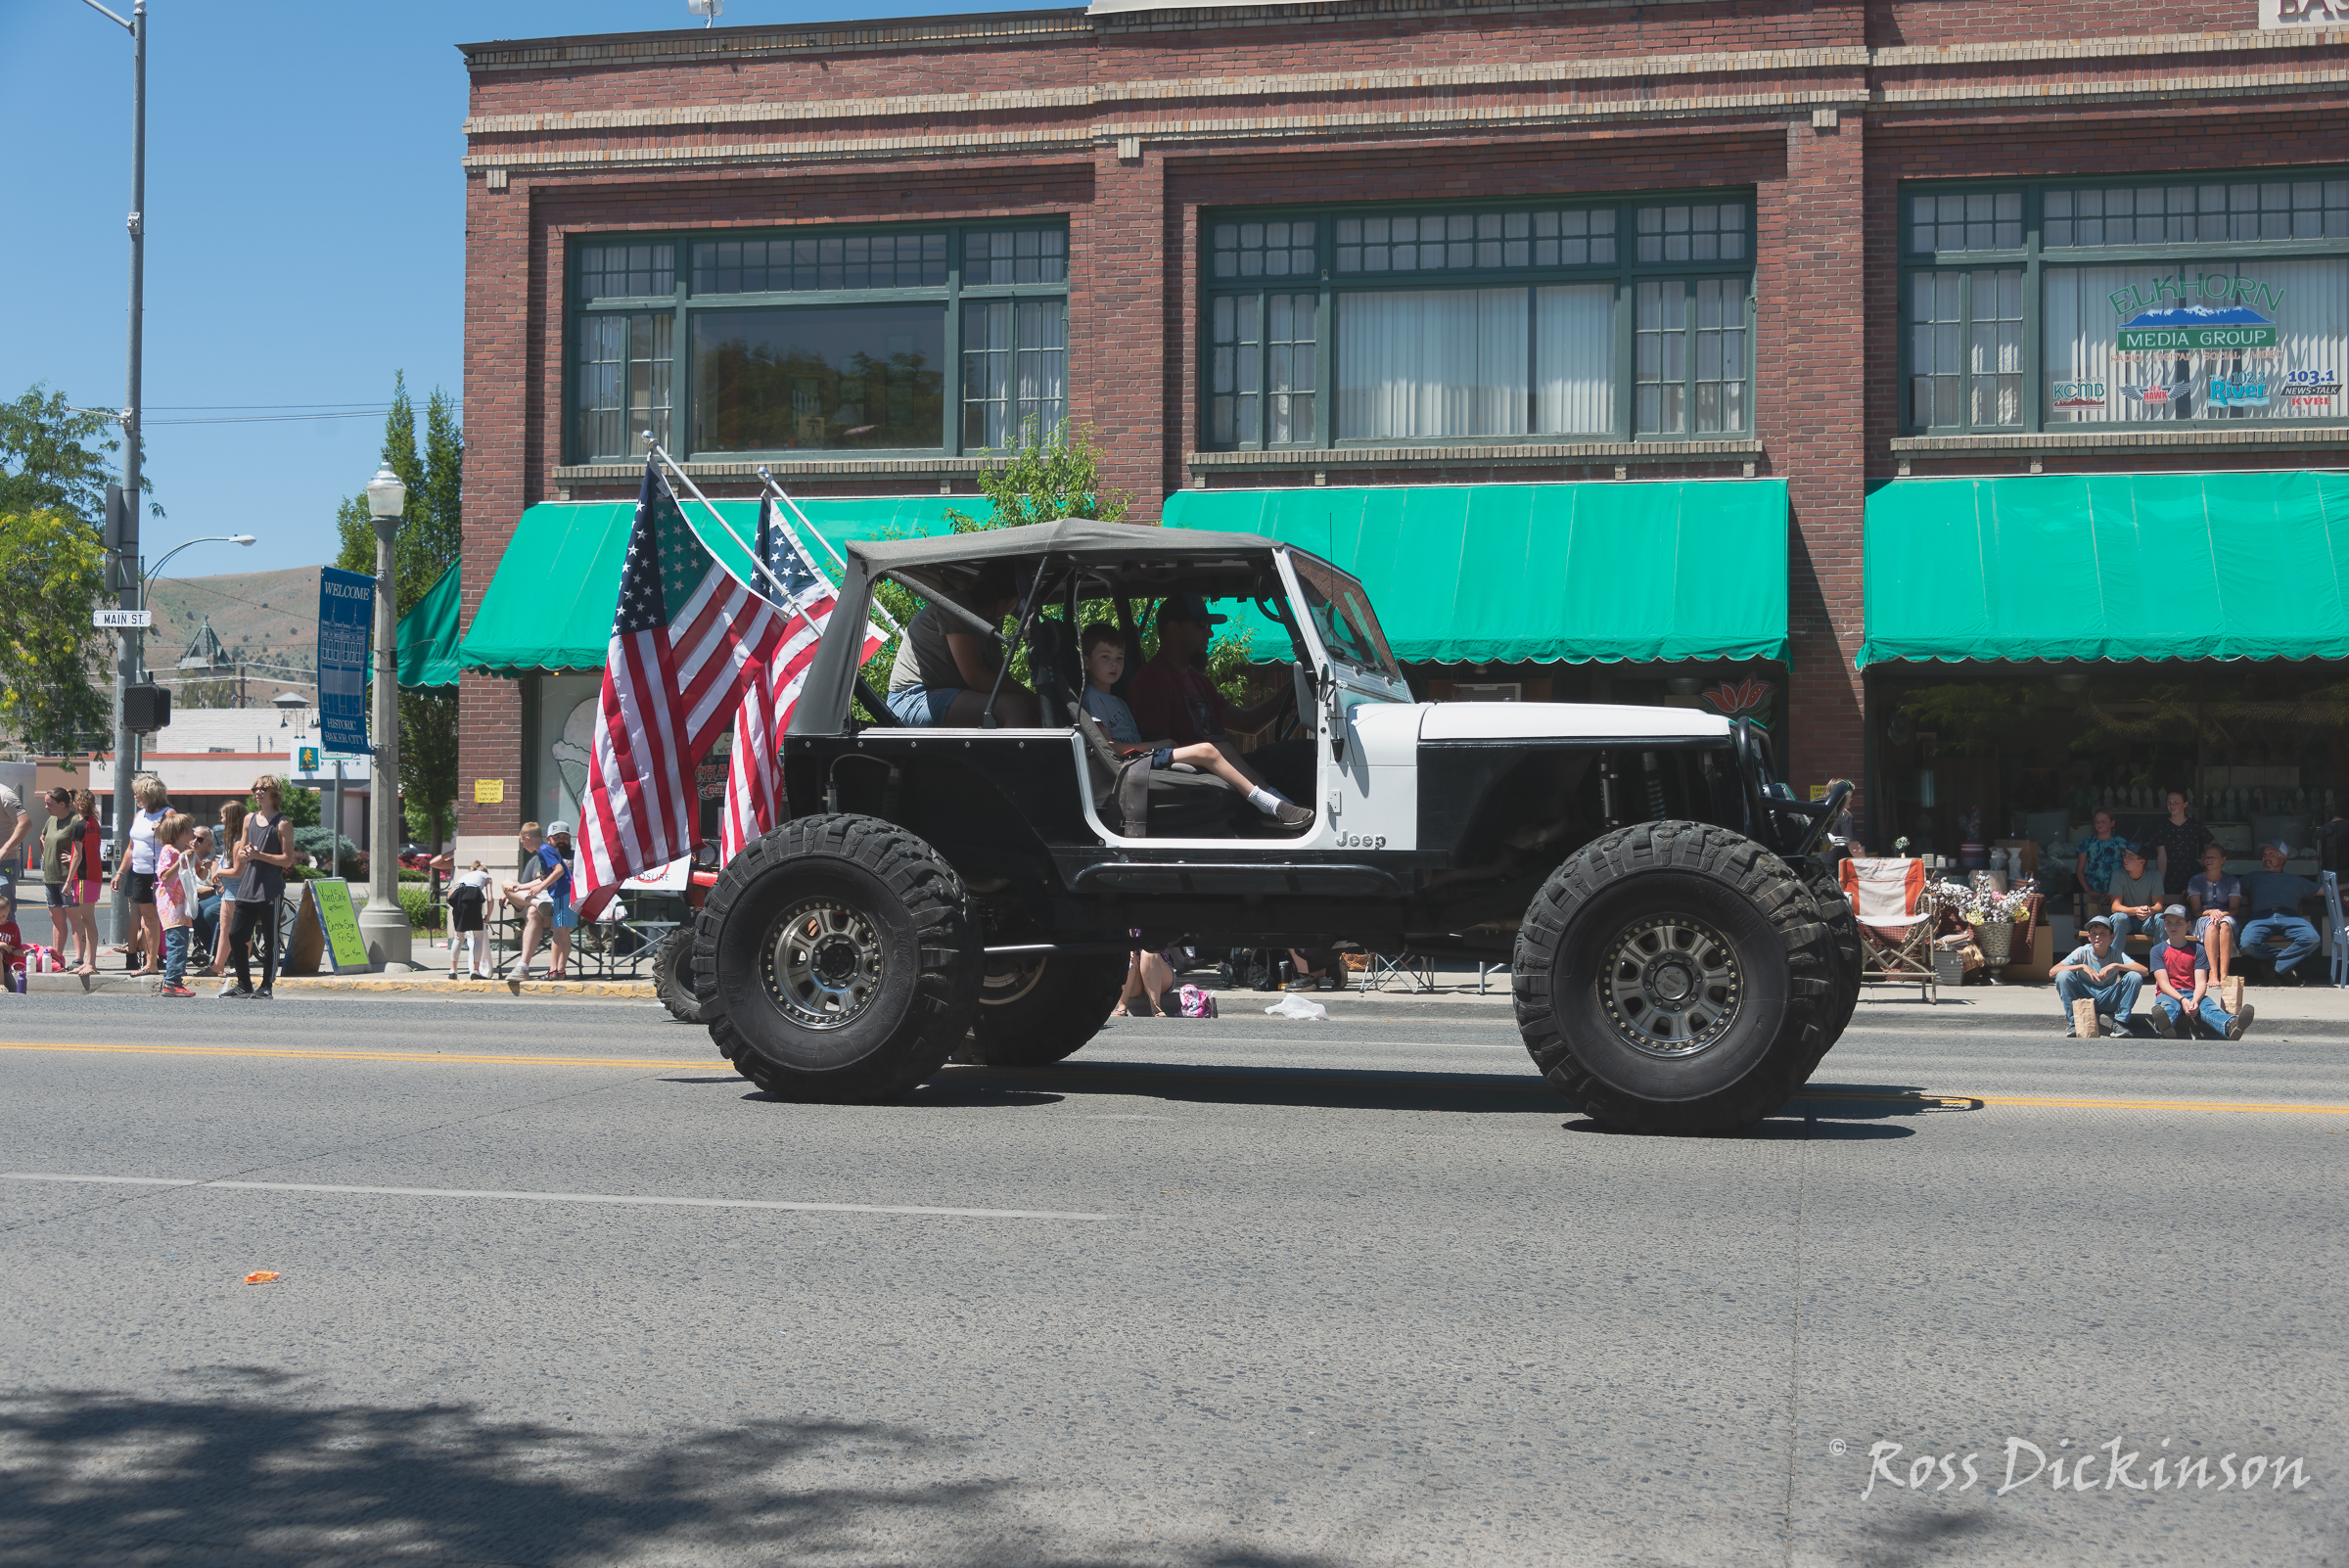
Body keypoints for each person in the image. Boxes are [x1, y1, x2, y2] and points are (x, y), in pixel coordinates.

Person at [1080, 623, 1311, 828]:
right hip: (1133, 762)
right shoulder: (1092, 699)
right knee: (1207, 750)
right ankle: (1271, 806)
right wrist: (1159, 744)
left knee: (1222, 746)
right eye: (1105, 657)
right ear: (1086, 662)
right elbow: (1108, 749)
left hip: (1145, 755)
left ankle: (1279, 799)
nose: (1114, 664)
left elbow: (1247, 722)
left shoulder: (1117, 700)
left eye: (1119, 658)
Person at [1128, 594, 1312, 804]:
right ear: (1173, 629)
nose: (1210, 633)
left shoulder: (1198, 681)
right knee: (1302, 762)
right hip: (1199, 777)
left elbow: (1248, 723)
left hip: (1226, 766)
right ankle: (1285, 810)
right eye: (1202, 625)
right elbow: (1157, 754)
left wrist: (1294, 686)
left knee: (1304, 753)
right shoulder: (1152, 681)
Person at [884, 563, 1039, 727]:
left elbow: (999, 677)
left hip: (948, 694)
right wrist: (1033, 698)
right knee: (1014, 707)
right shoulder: (958, 604)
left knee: (1026, 706)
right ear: (1013, 601)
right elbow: (976, 678)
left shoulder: (991, 619)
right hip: (910, 699)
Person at [222, 775, 297, 1000]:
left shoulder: (283, 823)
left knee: (271, 941)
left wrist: (258, 855)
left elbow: (287, 860)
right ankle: (244, 984)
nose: (257, 792)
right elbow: (244, 851)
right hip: (248, 886)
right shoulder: (248, 819)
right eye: (255, 788)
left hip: (270, 889)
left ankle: (267, 985)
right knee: (235, 935)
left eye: (263, 788)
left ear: (274, 793)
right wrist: (244, 854)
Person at [2145, 905, 2250, 1039]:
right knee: (2168, 1006)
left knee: (2210, 1008)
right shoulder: (2157, 950)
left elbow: (2201, 982)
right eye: (2168, 923)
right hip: (2168, 993)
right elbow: (2163, 984)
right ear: (2164, 926)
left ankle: (2231, 1025)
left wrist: (2195, 1000)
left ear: (2188, 926)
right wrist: (2182, 1000)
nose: (2173, 926)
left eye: (2178, 923)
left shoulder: (2198, 950)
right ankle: (2164, 1026)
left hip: (2193, 993)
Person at [2237, 839, 2322, 984]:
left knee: (2312, 939)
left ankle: (2274, 967)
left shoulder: (2295, 880)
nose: (2266, 858)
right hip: (2261, 917)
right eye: (2264, 855)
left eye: (2271, 854)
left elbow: (2326, 890)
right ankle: (2281, 964)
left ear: (2283, 858)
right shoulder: (2253, 877)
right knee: (2247, 944)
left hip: (2289, 917)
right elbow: (2227, 888)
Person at [112, 773, 170, 975]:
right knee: (147, 919)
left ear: (150, 794)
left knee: (160, 920)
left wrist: (161, 832)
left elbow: (178, 843)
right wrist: (120, 873)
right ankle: (150, 963)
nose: (135, 797)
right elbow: (131, 847)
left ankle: (157, 961)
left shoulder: (168, 814)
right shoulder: (139, 815)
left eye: (139, 793)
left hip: (160, 874)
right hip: (139, 873)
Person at [2050, 915, 2147, 1037]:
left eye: (2102, 934)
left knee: (2134, 976)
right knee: (2063, 975)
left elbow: (2144, 971)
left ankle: (2119, 1023)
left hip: (2108, 998)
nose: (2098, 937)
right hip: (2085, 996)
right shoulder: (2081, 951)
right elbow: (2053, 972)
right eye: (2094, 934)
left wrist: (2116, 965)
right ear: (2089, 937)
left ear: (2112, 937)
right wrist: (2081, 967)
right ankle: (2075, 1023)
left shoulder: (2116, 954)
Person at [152, 811, 199, 997]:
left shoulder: (180, 852)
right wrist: (181, 860)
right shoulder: (169, 851)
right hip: (171, 903)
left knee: (181, 941)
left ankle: (175, 980)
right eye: (188, 829)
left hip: (180, 903)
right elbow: (165, 876)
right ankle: (171, 982)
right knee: (177, 943)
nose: (192, 831)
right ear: (178, 833)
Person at [2186, 841, 2242, 987]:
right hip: (2202, 917)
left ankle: (2224, 974)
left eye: (2213, 857)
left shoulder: (2232, 881)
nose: (2209, 859)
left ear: (2223, 860)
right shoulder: (2195, 880)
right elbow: (2196, 911)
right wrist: (2211, 912)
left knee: (2224, 925)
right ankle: (2212, 973)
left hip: (2227, 916)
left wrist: (2222, 914)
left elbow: (2234, 909)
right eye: (2207, 856)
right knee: (2211, 926)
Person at [37, 788, 80, 970]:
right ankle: (57, 959)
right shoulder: (51, 820)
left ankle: (79, 959)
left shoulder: (76, 820)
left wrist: (72, 858)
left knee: (74, 919)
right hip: (51, 878)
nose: (46, 806)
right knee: (57, 920)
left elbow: (85, 848)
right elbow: (42, 838)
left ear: (62, 804)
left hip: (68, 879)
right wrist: (48, 857)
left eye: (50, 803)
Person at [2144, 789, 2215, 898]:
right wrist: (2160, 883)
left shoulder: (2195, 826)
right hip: (2171, 874)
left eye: (2176, 802)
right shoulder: (2161, 827)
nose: (2172, 805)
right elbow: (2162, 856)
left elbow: (2214, 845)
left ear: (2185, 804)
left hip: (2193, 872)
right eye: (2169, 802)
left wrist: (2206, 860)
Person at [68, 789, 103, 977]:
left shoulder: (81, 825)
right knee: (87, 920)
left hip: (83, 876)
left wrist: (67, 881)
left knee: (88, 920)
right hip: (94, 875)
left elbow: (77, 855)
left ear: (76, 803)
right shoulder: (95, 824)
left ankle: (91, 963)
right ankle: (89, 962)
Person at [2072, 807, 2129, 919]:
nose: (2099, 824)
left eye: (2103, 821)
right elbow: (2079, 870)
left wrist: (2115, 890)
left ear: (2112, 823)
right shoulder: (2087, 843)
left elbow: (2127, 867)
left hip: (2116, 894)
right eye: (2097, 822)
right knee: (2094, 925)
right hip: (2093, 894)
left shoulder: (2121, 843)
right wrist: (2089, 890)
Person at [2104, 845, 2165, 943]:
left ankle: (2159, 956)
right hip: (2126, 920)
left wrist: (2150, 910)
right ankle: (2115, 956)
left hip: (2147, 920)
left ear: (2142, 862)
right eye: (2124, 855)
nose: (2125, 859)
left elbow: (2159, 906)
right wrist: (2136, 910)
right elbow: (2115, 907)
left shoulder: (2154, 876)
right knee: (2118, 918)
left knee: (2161, 919)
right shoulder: (2118, 875)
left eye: (2130, 857)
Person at [448, 861, 491, 980]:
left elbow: (449, 894)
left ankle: (453, 970)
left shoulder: (464, 877)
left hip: (458, 901)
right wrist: (488, 915)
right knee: (478, 936)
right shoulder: (486, 876)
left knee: (458, 937)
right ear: (485, 871)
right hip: (473, 901)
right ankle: (475, 971)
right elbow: (490, 898)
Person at [0, 778, 27, 883]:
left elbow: (25, 823)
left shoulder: (6, 795)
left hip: (4, 861)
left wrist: (4, 850)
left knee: (4, 899)